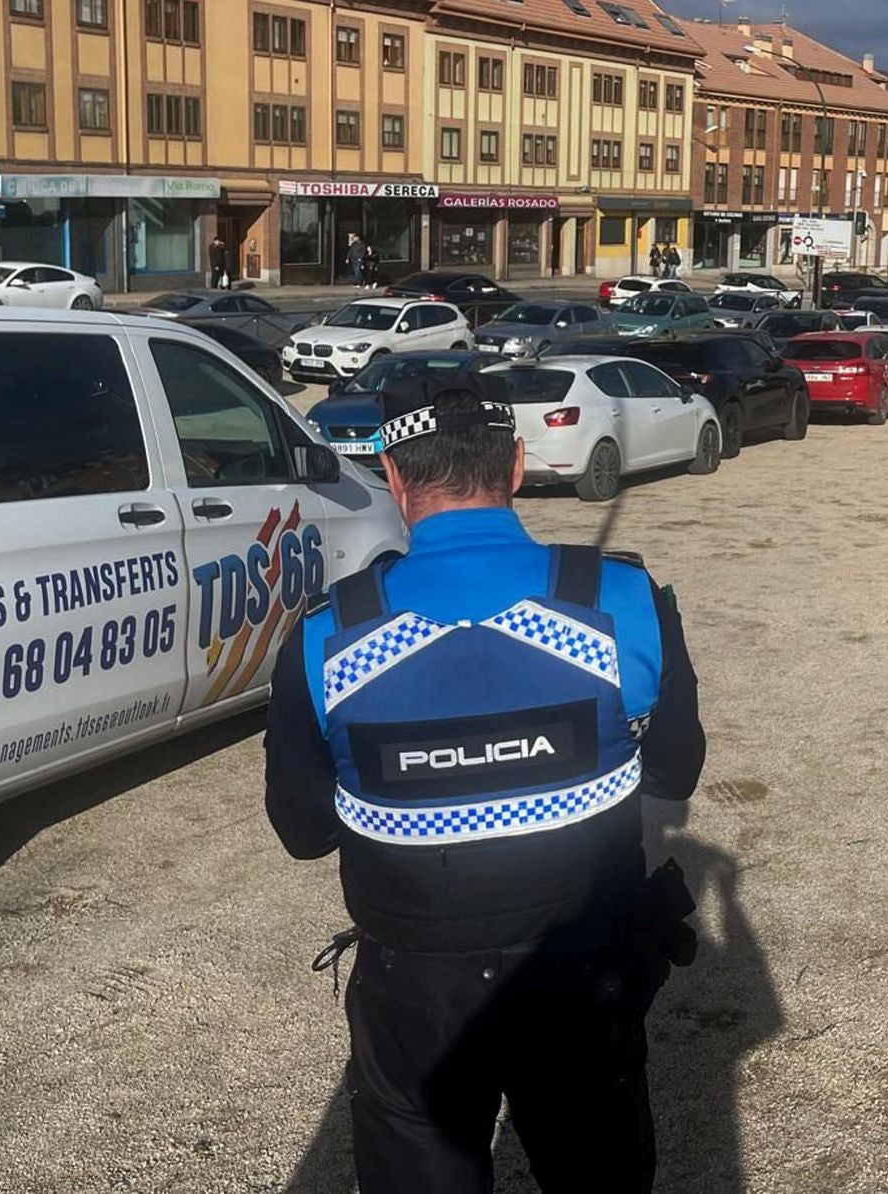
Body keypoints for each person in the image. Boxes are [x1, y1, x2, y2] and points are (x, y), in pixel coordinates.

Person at [265, 375, 706, 1194]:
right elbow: (675, 770)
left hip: (413, 994)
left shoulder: (328, 637)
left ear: (394, 478)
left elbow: (302, 831)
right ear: (512, 463)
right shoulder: (624, 601)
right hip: (583, 975)